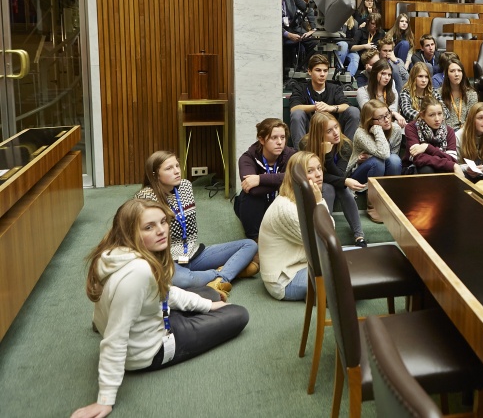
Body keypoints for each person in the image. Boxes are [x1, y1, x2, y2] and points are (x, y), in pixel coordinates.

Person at [71, 199, 248, 418]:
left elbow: (164, 292)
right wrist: (104, 400)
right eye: (149, 227)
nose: (161, 231)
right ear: (129, 232)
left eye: (163, 222)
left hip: (151, 316)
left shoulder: (113, 253)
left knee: (209, 294)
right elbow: (115, 338)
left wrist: (208, 305)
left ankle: (206, 303)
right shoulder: (137, 273)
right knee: (238, 314)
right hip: (152, 350)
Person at [136, 152, 259, 299]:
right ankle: (227, 274)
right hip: (166, 259)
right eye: (169, 168)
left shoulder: (185, 186)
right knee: (183, 280)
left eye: (177, 165)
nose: (176, 171)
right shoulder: (145, 198)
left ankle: (219, 279)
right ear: (155, 175)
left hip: (192, 252)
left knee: (249, 245)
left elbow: (190, 231)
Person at [259, 151, 334, 301]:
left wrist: (318, 201)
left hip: (307, 263)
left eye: (319, 168)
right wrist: (319, 202)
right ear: (297, 177)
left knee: (361, 257)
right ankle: (320, 296)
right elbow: (323, 240)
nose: (318, 174)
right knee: (346, 277)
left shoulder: (304, 198)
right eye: (310, 171)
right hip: (285, 279)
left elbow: (329, 234)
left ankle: (321, 295)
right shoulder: (285, 208)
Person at [301, 112, 368, 247]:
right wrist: (343, 181)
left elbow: (339, 174)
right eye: (329, 131)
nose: (336, 133)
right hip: (314, 183)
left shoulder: (345, 145)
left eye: (336, 127)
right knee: (328, 188)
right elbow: (313, 174)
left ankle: (359, 235)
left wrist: (328, 156)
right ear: (319, 134)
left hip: (336, 180)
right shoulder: (306, 144)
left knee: (343, 190)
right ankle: (326, 234)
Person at [235, 118, 296, 241]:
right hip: (257, 206)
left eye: (282, 137)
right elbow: (253, 190)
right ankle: (254, 240)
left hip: (280, 205)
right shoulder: (247, 158)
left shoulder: (291, 155)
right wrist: (282, 180)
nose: (280, 142)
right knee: (249, 197)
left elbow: (297, 177)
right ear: (261, 139)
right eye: (274, 138)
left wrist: (260, 179)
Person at [347, 99, 403, 222]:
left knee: (394, 159)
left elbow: (392, 157)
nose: (387, 119)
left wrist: (373, 156)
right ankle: (374, 205)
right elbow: (383, 153)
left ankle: (390, 203)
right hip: (359, 175)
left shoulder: (396, 130)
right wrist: (377, 130)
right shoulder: (361, 133)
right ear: (370, 121)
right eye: (380, 118)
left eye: (387, 114)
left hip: (383, 172)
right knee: (377, 161)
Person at [289, 53, 360, 148]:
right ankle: (302, 157)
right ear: (309, 71)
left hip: (333, 132)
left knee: (354, 111)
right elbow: (294, 108)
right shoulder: (300, 88)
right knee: (297, 114)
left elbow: (346, 106)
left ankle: (347, 153)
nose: (322, 74)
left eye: (325, 71)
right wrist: (315, 107)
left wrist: (330, 108)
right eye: (318, 70)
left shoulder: (335, 88)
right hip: (310, 132)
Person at [403, 97, 458, 174]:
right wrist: (447, 162)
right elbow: (418, 158)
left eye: (440, 114)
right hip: (414, 168)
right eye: (431, 115)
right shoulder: (412, 127)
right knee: (426, 169)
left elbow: (452, 159)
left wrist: (427, 148)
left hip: (442, 168)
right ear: (422, 115)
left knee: (446, 170)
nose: (437, 119)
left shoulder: (449, 131)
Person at [356, 59, 406, 127]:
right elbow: (370, 112)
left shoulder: (392, 91)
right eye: (383, 74)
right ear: (375, 73)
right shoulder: (362, 91)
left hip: (389, 124)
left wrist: (394, 113)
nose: (387, 78)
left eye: (389, 75)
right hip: (370, 126)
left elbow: (393, 109)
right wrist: (393, 113)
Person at [437, 53, 477, 130]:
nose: (456, 74)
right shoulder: (438, 93)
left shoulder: (471, 94)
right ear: (447, 75)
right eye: (452, 71)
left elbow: (471, 118)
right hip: (446, 132)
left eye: (459, 71)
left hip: (465, 131)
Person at [282, 0, 316, 73]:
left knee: (314, 42)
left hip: (293, 27)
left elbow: (308, 9)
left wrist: (313, 29)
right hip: (278, 31)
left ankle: (306, 69)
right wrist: (288, 34)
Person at [347, 12, 385, 78]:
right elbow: (351, 47)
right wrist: (365, 46)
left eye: (377, 24)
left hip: (375, 59)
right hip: (362, 60)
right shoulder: (360, 31)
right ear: (368, 22)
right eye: (372, 23)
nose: (375, 26)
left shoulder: (381, 33)